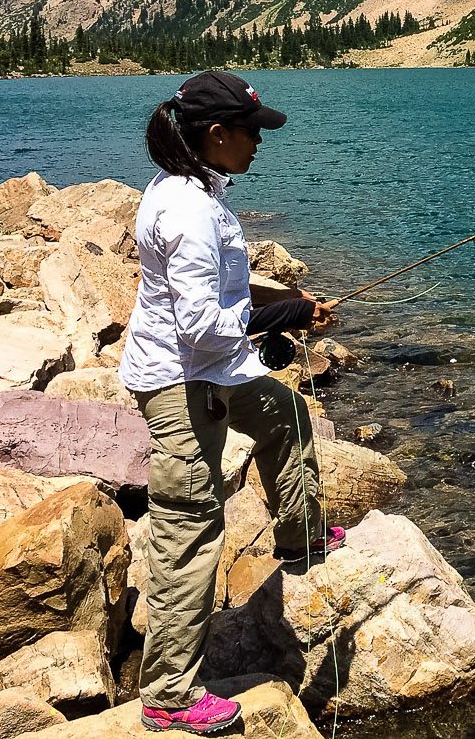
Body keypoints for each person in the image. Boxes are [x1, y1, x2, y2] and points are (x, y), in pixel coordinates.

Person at [119, 70, 344, 735]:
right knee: (190, 531)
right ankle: (167, 695)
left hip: (211, 368)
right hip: (181, 381)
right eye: (252, 131)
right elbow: (200, 325)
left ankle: (300, 537)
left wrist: (289, 304)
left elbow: (221, 286)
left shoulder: (194, 188)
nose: (260, 142)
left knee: (286, 415)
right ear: (216, 135)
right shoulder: (187, 211)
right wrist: (279, 318)